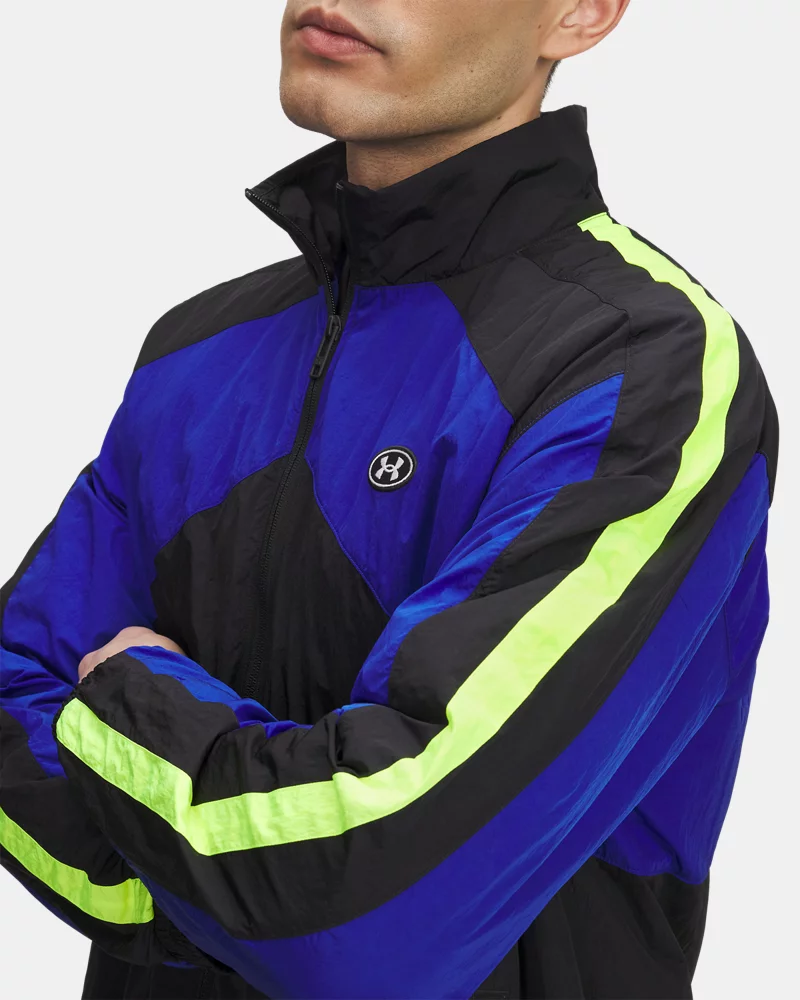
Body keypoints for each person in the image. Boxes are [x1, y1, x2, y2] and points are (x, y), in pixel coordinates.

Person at [0, 1, 779, 997]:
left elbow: (363, 919)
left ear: (580, 14)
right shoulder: (194, 350)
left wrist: (129, 693)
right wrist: (249, 898)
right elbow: (11, 700)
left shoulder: (642, 365)